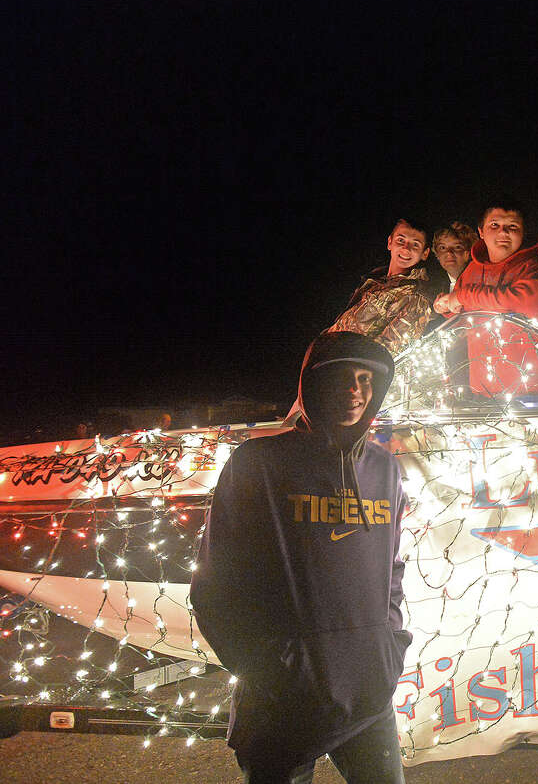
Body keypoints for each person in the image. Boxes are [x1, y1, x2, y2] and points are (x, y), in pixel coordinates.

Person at [191, 331, 411, 784]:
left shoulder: (384, 469)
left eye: (366, 378)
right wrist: (263, 667)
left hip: (368, 688)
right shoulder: (258, 464)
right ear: (312, 385)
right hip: (283, 699)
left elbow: (391, 568)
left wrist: (388, 644)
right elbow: (216, 580)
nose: (355, 390)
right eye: (341, 377)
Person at [433, 198, 538, 397]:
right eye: (495, 225)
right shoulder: (471, 272)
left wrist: (462, 297)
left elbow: (515, 302)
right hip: (484, 394)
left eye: (512, 226)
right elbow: (462, 320)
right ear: (481, 232)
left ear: (522, 232)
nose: (503, 232)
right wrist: (447, 309)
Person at [328, 218, 436, 355]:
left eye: (415, 245)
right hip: (328, 357)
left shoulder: (417, 295)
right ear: (390, 242)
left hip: (349, 368)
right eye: (401, 240)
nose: (406, 248)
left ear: (425, 253)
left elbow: (386, 352)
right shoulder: (374, 280)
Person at [432, 222, 478, 291]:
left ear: (468, 252)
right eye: (443, 248)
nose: (449, 253)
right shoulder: (434, 286)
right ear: (437, 254)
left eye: (457, 247)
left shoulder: (481, 285)